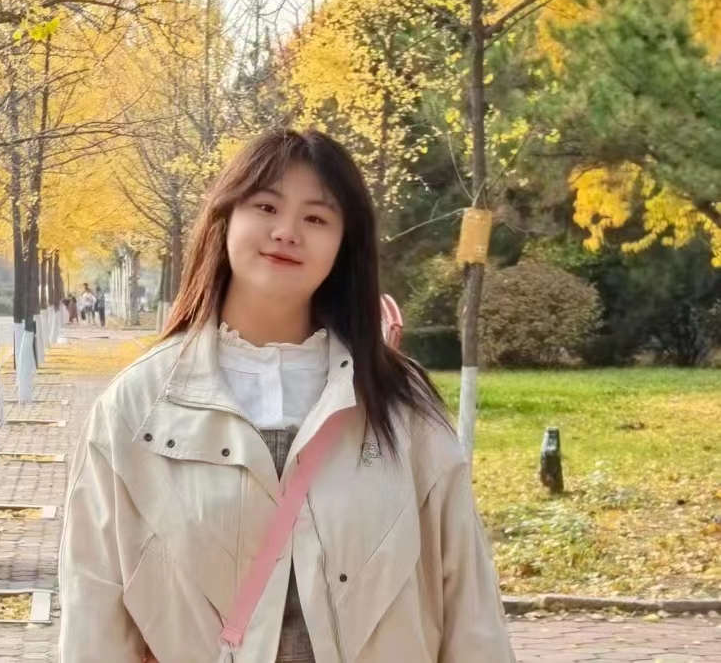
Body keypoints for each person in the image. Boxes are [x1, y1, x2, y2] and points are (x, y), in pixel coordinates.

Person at [60, 129, 513, 663]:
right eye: (266, 207)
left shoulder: (400, 404)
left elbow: (469, 605)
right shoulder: (139, 406)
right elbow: (94, 609)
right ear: (226, 217)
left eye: (316, 219)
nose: (286, 232)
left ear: (344, 244)